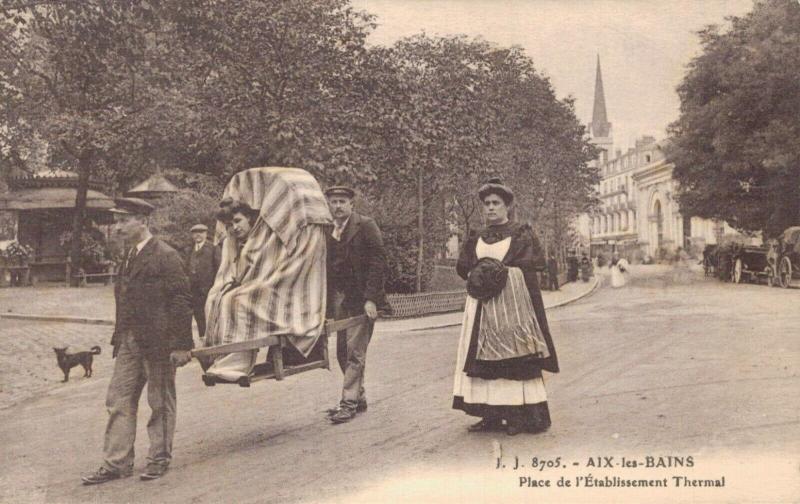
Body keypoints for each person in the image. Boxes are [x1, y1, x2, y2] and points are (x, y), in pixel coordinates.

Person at [81, 198, 193, 485]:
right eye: (116, 220)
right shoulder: (128, 257)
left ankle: (159, 458)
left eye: (123, 220)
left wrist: (181, 345)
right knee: (118, 400)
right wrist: (120, 337)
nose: (117, 227)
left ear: (143, 221)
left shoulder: (166, 255)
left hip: (159, 343)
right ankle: (117, 463)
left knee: (159, 401)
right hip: (129, 342)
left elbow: (181, 300)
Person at [201, 168, 331, 383]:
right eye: (230, 225)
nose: (233, 229)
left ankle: (237, 365)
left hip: (284, 286)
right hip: (255, 282)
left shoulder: (265, 241)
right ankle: (217, 358)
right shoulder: (238, 243)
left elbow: (271, 267)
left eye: (238, 222)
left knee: (238, 301)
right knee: (215, 298)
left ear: (251, 219)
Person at [453, 178, 559, 436]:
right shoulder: (476, 237)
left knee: (513, 358)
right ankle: (489, 415)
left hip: (512, 307)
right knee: (481, 361)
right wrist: (478, 276)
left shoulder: (521, 233)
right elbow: (463, 267)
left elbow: (535, 266)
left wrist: (501, 274)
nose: (490, 208)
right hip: (481, 307)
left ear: (507, 207)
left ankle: (516, 417)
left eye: (496, 203)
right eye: (486, 204)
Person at [324, 185, 387, 424]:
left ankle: (348, 403)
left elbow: (378, 262)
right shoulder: (329, 230)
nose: (338, 206)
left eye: (342, 201)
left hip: (362, 300)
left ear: (351, 204)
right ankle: (359, 397)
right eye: (333, 202)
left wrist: (372, 298)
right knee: (342, 351)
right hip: (342, 300)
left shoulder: (365, 225)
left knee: (355, 352)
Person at [186, 223, 221, 340]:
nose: (198, 235)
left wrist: (216, 287)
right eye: (195, 233)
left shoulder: (213, 248)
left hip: (209, 290)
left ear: (206, 234)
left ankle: (214, 339)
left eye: (201, 232)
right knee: (198, 315)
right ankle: (202, 338)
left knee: (211, 315)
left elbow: (219, 269)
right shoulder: (189, 249)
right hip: (194, 291)